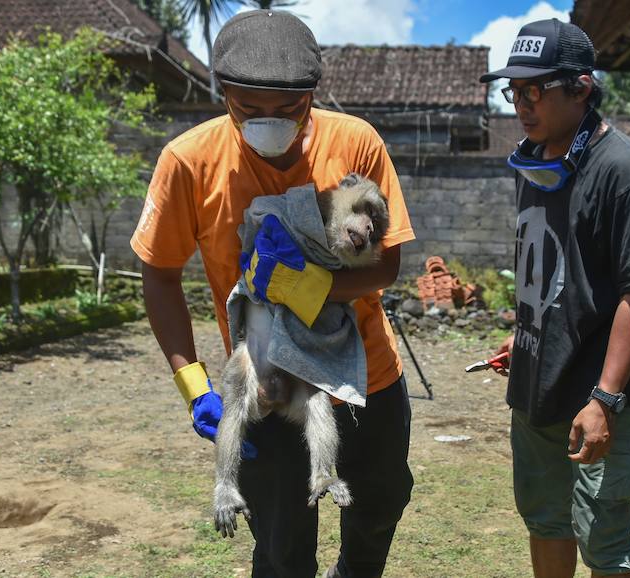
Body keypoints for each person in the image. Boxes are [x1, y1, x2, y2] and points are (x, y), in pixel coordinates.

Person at [130, 10, 415, 578]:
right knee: (282, 553)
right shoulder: (189, 161)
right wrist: (194, 386)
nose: (268, 123)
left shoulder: (354, 143)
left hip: (366, 376)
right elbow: (159, 275)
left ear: (312, 95)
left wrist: (308, 287)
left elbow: (386, 263)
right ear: (223, 93)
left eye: (287, 110)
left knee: (380, 508)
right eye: (247, 109)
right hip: (270, 386)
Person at [480, 18, 630, 578]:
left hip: (595, 395)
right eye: (515, 90)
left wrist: (606, 399)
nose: (522, 103)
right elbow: (553, 271)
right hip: (537, 384)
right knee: (545, 519)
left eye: (536, 89)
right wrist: (524, 333)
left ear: (581, 87)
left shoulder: (623, 171)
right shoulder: (534, 163)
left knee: (605, 541)